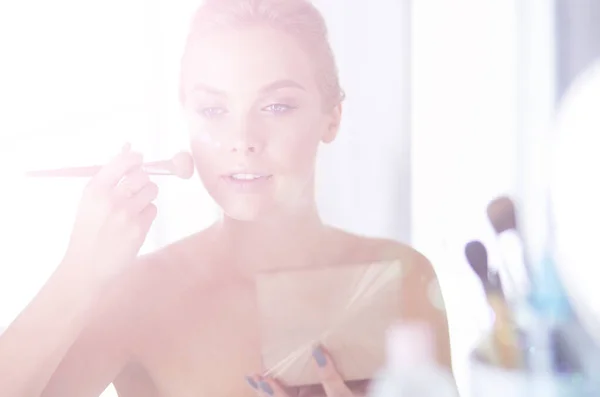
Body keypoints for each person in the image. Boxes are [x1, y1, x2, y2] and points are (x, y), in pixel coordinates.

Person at [0, 0, 456, 396]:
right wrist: (79, 272)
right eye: (214, 110)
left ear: (331, 117)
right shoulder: (137, 296)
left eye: (276, 106)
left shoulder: (404, 278)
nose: (242, 139)